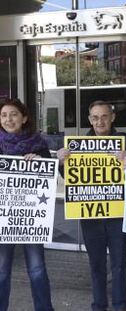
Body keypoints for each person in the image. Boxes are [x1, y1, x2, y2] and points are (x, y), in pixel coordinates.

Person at [57, 100, 126, 311]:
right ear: (90, 120)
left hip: (118, 215)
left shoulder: (124, 141)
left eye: (104, 116)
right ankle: (98, 306)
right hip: (91, 217)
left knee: (118, 265)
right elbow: (72, 178)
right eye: (95, 117)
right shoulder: (78, 145)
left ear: (113, 117)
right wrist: (63, 162)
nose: (100, 121)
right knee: (96, 265)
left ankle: (120, 306)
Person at [0, 98, 54, 311]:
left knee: (37, 269)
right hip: (3, 220)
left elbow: (49, 178)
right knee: (2, 270)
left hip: (31, 221)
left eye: (13, 114)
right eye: (4, 115)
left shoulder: (39, 146)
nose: (8, 119)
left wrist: (39, 162)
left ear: (24, 118)